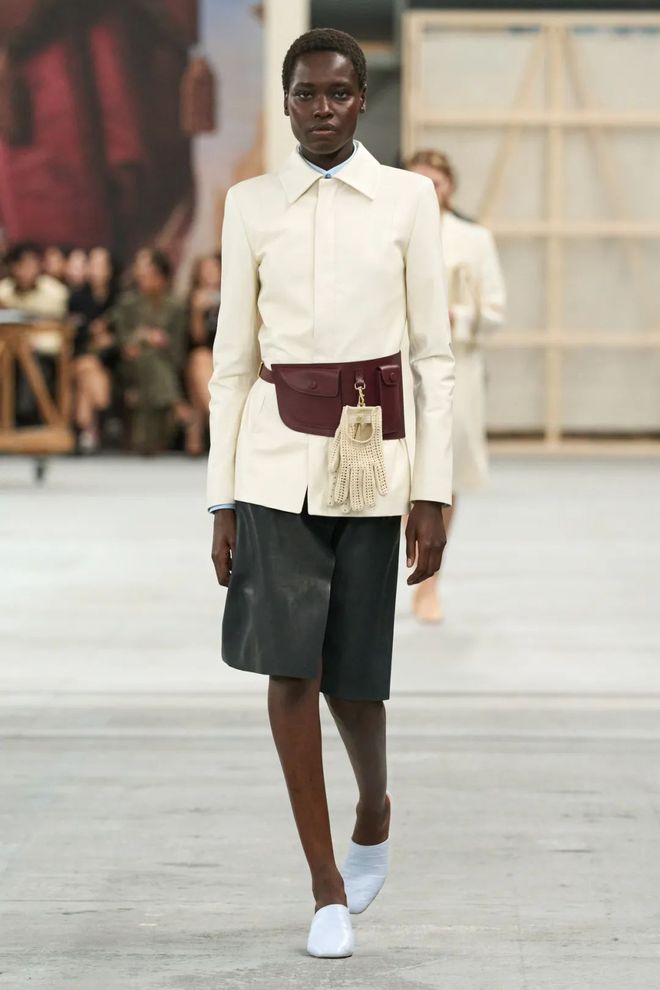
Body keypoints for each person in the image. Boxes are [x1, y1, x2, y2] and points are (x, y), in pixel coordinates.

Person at [207, 29, 454, 958]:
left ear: (362, 100)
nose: (322, 109)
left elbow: (432, 357)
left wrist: (433, 491)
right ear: (285, 102)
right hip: (273, 464)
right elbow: (232, 364)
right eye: (306, 94)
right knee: (290, 671)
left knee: (355, 680)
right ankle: (324, 889)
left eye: (339, 93)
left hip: (375, 461)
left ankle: (374, 806)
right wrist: (220, 499)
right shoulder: (248, 205)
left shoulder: (408, 200)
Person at [406, 150, 506, 622]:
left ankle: (430, 582)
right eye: (419, 182)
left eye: (437, 183)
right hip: (395, 364)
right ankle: (400, 570)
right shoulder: (387, 231)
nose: (429, 191)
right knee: (397, 471)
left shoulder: (474, 240)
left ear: (451, 187)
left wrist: (455, 317)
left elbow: (495, 312)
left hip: (456, 368)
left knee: (444, 476)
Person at [113, 248, 186, 454]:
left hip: (164, 364)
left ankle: (149, 436)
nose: (141, 273)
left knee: (151, 359)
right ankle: (175, 402)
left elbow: (178, 349)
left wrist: (159, 342)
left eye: (148, 269)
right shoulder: (127, 304)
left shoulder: (176, 307)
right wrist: (142, 337)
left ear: (161, 275)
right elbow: (122, 341)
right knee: (148, 359)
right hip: (129, 364)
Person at [67, 247, 121, 453]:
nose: (95, 269)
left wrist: (110, 340)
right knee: (88, 365)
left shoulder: (119, 297)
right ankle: (107, 412)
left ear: (109, 269)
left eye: (100, 264)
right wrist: (92, 333)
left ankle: (86, 431)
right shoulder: (77, 297)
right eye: (92, 264)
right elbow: (74, 333)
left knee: (86, 380)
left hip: (111, 360)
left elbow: (123, 332)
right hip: (80, 357)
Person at [184, 253, 221, 455]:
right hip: (204, 354)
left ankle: (199, 429)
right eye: (205, 270)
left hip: (228, 354)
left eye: (214, 269)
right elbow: (196, 339)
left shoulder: (235, 294)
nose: (210, 274)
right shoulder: (192, 299)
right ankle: (218, 419)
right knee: (200, 359)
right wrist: (198, 312)